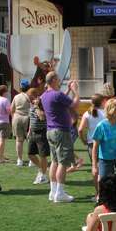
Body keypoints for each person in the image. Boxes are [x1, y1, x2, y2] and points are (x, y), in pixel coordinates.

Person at [40, 71, 80, 203]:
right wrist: (75, 91)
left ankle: (53, 191)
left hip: (50, 131)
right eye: (58, 79)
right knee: (63, 162)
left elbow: (61, 101)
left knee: (55, 162)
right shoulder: (57, 95)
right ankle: (60, 193)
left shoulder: (45, 95)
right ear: (53, 80)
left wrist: (68, 91)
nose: (60, 81)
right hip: (61, 131)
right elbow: (74, 104)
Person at [79, 93, 105, 198]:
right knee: (104, 168)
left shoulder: (87, 114)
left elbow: (80, 130)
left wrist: (84, 141)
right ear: (102, 102)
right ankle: (104, 193)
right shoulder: (104, 113)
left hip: (92, 144)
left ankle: (98, 193)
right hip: (105, 143)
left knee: (95, 168)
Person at [27, 88, 50, 185]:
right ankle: (42, 169)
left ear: (34, 95)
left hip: (41, 133)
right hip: (33, 132)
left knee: (42, 156)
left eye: (29, 96)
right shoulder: (32, 105)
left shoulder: (41, 104)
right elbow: (31, 119)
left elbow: (42, 117)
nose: (27, 98)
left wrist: (36, 107)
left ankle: (43, 176)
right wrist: (29, 130)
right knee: (30, 154)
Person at [11, 79, 31, 166]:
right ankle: (31, 160)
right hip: (27, 118)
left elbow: (12, 109)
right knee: (29, 140)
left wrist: (13, 118)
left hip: (17, 118)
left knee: (19, 140)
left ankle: (19, 160)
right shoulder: (30, 97)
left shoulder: (16, 97)